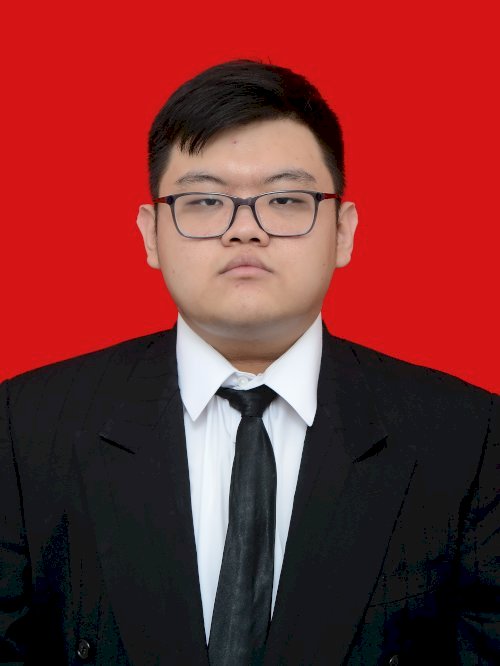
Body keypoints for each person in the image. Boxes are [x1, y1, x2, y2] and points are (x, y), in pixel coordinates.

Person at [0, 60, 498, 666]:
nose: (245, 230)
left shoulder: (469, 437)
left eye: (284, 199)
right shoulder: (25, 427)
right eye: (205, 200)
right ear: (151, 233)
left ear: (342, 232)